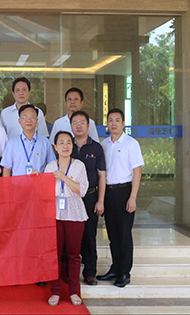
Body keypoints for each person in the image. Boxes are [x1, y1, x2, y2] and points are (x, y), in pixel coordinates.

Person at [96, 108, 143, 288]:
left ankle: (124, 272)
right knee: (113, 235)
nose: (113, 123)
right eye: (110, 120)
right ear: (107, 124)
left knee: (124, 235)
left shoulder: (131, 144)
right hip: (108, 193)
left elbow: (137, 171)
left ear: (123, 123)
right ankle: (115, 269)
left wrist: (133, 197)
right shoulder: (104, 144)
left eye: (117, 120)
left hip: (125, 191)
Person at [44, 131, 88, 307]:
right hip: (54, 213)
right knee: (54, 255)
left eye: (68, 142)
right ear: (55, 147)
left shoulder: (79, 166)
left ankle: (73, 291)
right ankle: (55, 291)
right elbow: (43, 191)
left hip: (75, 212)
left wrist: (63, 177)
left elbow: (81, 190)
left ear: (72, 146)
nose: (65, 146)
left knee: (74, 255)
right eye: (61, 142)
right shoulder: (49, 167)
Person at [70, 110, 106, 286]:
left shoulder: (96, 148)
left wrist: (100, 201)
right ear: (71, 126)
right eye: (75, 123)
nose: (78, 126)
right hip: (70, 198)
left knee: (89, 235)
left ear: (88, 125)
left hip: (90, 197)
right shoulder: (66, 145)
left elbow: (102, 176)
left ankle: (90, 272)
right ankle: (70, 273)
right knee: (70, 235)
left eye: (82, 123)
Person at [1, 104, 55, 177]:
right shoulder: (12, 143)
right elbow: (7, 169)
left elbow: (52, 166)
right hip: (18, 184)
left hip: (39, 183)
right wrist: (6, 184)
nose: (29, 120)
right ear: (19, 121)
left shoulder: (45, 142)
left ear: (37, 120)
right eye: (24, 117)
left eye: (32, 117)